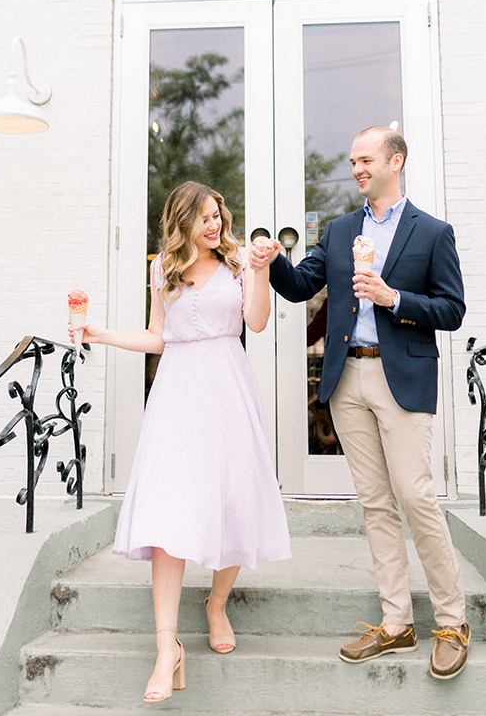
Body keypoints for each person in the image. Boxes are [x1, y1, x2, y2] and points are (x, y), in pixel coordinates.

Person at [250, 126, 469, 681]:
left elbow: (452, 310)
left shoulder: (433, 232)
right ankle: (396, 622)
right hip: (348, 382)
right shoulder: (341, 229)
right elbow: (300, 286)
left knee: (416, 497)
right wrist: (273, 259)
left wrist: (394, 298)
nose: (356, 169)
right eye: (351, 161)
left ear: (396, 160)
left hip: (403, 380)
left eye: (366, 160)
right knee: (374, 504)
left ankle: (452, 621)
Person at [70, 181, 291, 703]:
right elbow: (158, 337)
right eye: (205, 218)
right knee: (167, 514)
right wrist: (102, 334)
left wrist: (259, 270)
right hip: (175, 395)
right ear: (182, 221)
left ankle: (217, 602)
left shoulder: (239, 260)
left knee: (234, 501)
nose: (216, 225)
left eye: (219, 215)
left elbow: (255, 323)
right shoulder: (160, 269)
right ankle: (166, 647)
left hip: (227, 388)